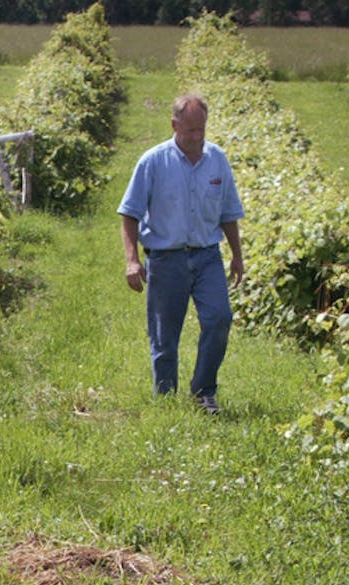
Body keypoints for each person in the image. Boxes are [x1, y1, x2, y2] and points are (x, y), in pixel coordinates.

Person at [118, 93, 245, 415]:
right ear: (174, 125)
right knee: (164, 336)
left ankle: (204, 392)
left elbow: (228, 211)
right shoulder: (152, 162)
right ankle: (165, 400)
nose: (197, 136)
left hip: (207, 256)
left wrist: (237, 256)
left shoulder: (217, 159)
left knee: (219, 318)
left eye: (201, 129)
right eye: (190, 130)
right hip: (165, 259)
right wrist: (132, 260)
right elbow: (129, 213)